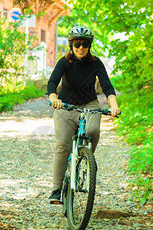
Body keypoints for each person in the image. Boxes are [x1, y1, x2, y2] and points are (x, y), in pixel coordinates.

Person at [47, 25, 120, 204]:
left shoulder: (96, 63)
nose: (81, 48)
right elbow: (52, 82)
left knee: (93, 130)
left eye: (85, 44)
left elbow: (107, 86)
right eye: (77, 44)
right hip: (65, 105)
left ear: (89, 45)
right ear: (71, 45)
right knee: (63, 146)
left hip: (90, 104)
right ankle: (56, 190)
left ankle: (87, 157)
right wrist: (54, 98)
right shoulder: (64, 62)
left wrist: (113, 105)